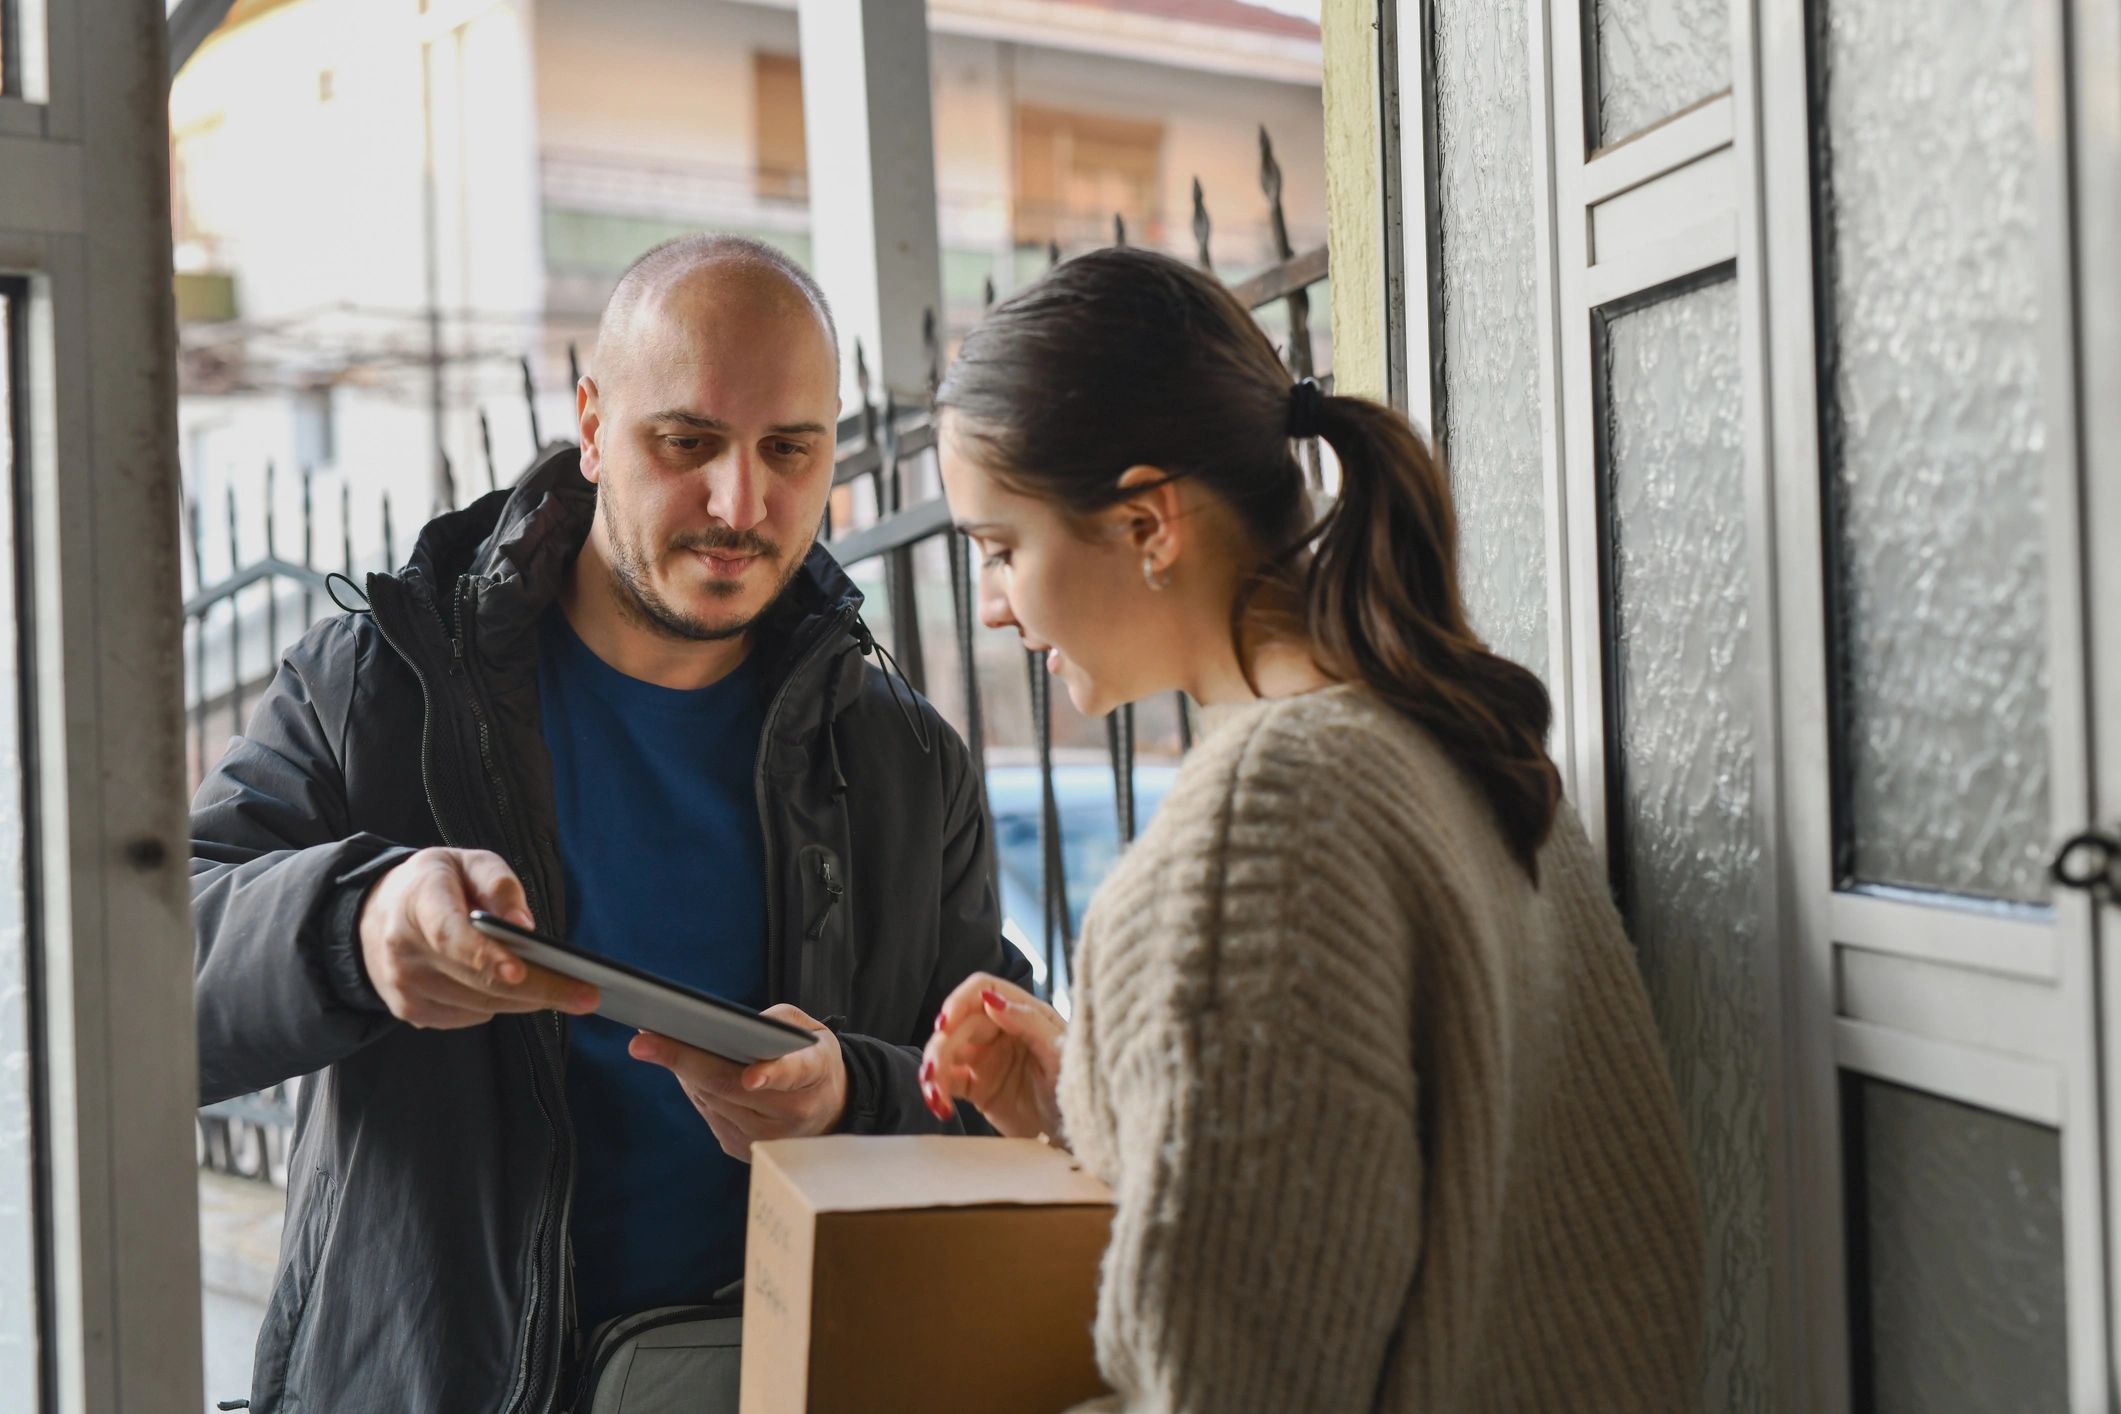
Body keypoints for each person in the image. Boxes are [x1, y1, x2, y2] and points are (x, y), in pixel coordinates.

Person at [191, 233, 1029, 1414]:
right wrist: (356, 924)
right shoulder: (378, 689)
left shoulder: (905, 760)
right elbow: (141, 991)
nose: (741, 503)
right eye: (687, 442)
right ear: (591, 425)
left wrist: (849, 1093)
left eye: (789, 451)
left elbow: (1003, 1098)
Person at [918, 247, 1704, 1412]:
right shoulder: (1440, 724)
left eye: (1001, 550)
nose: (992, 606)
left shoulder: (1257, 827)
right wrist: (1098, 1098)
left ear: (1147, 521)